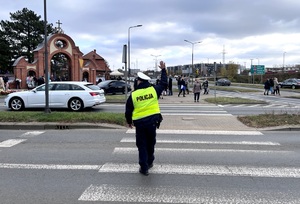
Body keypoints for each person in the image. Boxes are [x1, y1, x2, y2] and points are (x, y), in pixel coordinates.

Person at [125, 61, 167, 176]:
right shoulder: (154, 90)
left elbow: (128, 110)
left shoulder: (133, 95)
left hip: (140, 124)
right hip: (153, 123)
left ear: (139, 81)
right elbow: (164, 83)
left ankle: (144, 168)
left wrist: (129, 122)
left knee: (142, 145)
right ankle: (150, 162)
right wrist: (163, 70)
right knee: (151, 143)